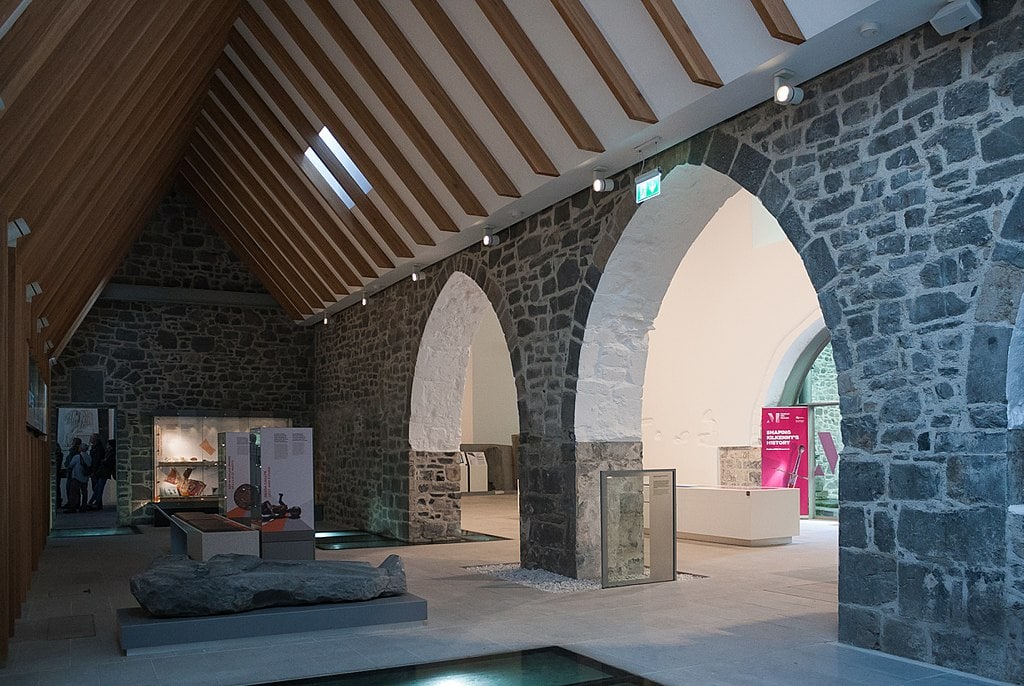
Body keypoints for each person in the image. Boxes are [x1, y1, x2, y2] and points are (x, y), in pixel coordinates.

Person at [87, 439, 115, 511]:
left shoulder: (111, 453)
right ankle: (92, 502)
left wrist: (103, 461)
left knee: (99, 489)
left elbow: (107, 462)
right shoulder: (108, 452)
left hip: (104, 473)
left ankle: (95, 503)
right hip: (102, 472)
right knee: (97, 489)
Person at [65, 444, 91, 513]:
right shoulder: (89, 457)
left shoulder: (77, 457)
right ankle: (83, 507)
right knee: (84, 492)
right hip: (85, 477)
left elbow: (71, 465)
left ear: (81, 449)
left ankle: (72, 507)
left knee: (73, 493)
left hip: (77, 477)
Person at [87, 433, 104, 507]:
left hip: (97, 470)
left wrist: (93, 471)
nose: (90, 439)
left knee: (97, 488)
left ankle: (96, 503)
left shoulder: (98, 449)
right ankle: (97, 502)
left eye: (92, 438)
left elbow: (96, 460)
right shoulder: (95, 448)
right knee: (96, 488)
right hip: (95, 470)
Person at [65, 437, 82, 507]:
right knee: (73, 488)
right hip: (73, 472)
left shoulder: (74, 453)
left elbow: (70, 463)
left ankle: (72, 503)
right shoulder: (75, 452)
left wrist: (68, 465)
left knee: (72, 488)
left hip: (72, 472)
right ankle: (74, 502)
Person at [53, 445, 64, 509]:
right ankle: (58, 501)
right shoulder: (60, 455)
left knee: (56, 487)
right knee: (57, 487)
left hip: (56, 473)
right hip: (57, 473)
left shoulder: (59, 455)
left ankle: (57, 502)